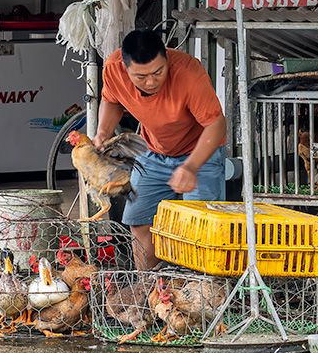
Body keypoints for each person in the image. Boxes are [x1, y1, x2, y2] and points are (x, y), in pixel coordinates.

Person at [92, 29, 227, 269]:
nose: (151, 81)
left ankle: (201, 296)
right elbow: (111, 100)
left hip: (200, 153)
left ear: (167, 58)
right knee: (140, 222)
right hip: (152, 151)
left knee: (201, 228)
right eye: (141, 77)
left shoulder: (189, 73)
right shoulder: (113, 68)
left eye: (158, 71)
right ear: (125, 68)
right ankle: (150, 290)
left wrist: (191, 167)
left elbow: (216, 125)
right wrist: (103, 132)